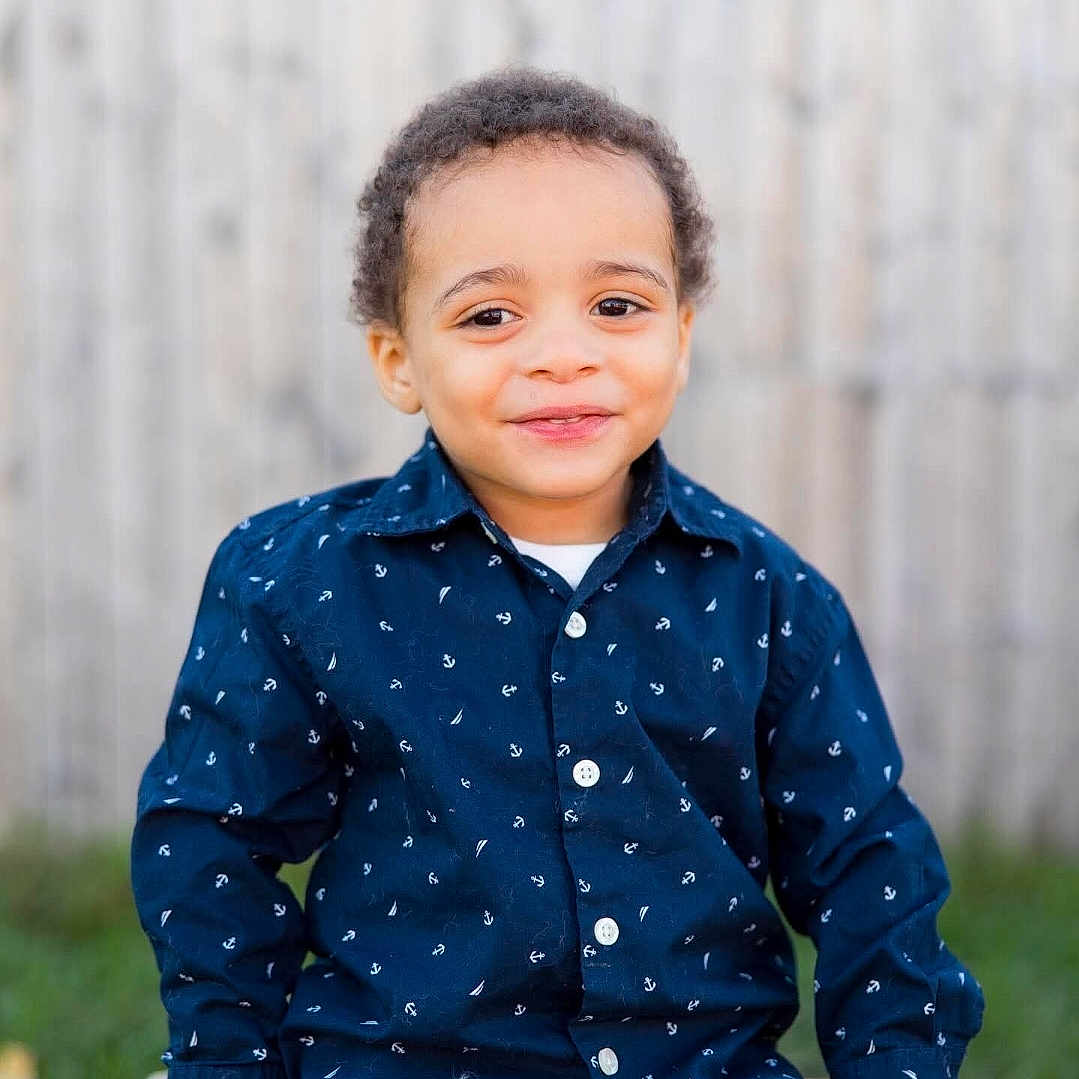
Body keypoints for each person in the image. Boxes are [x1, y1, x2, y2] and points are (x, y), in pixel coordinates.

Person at [130, 65, 985, 1079]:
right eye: (490, 316)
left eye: (616, 304)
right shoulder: (300, 580)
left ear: (679, 337)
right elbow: (209, 846)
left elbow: (867, 870)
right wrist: (223, 1060)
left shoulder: (768, 601)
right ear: (398, 358)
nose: (562, 354)